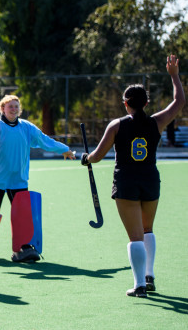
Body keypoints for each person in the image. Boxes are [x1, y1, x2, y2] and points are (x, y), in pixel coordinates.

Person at [82, 55, 185, 298]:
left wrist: (85, 158)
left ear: (125, 103)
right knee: (148, 229)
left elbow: (97, 156)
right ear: (146, 103)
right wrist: (174, 75)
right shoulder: (157, 122)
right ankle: (149, 276)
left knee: (135, 236)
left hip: (126, 182)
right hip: (150, 180)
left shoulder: (117, 125)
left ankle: (139, 285)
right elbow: (179, 102)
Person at [0, 94, 76, 262]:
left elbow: (44, 140)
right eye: (10, 106)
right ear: (2, 108)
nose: (14, 109)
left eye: (16, 106)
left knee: (22, 214)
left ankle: (22, 249)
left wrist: (64, 149)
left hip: (18, 180)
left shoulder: (27, 127)